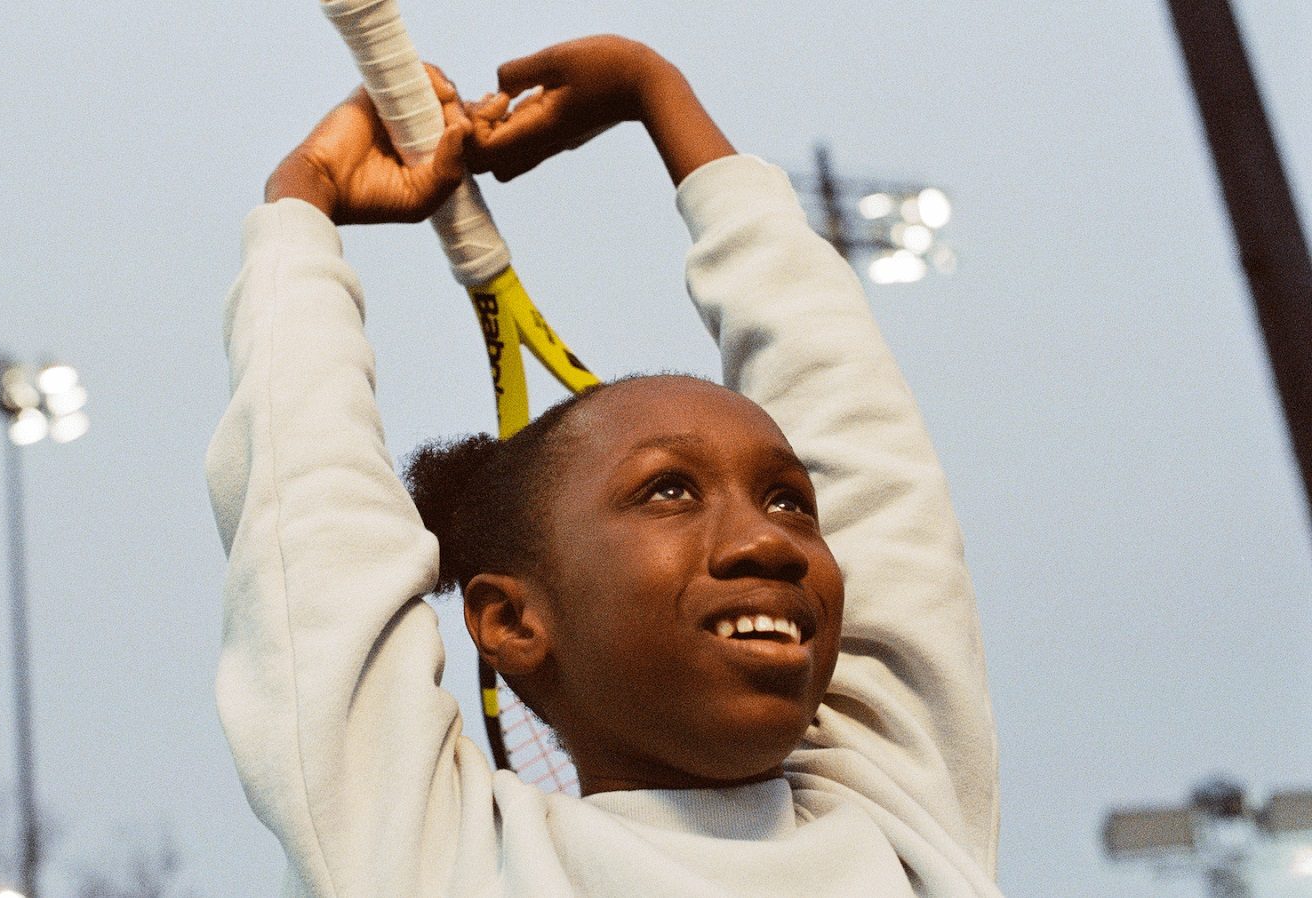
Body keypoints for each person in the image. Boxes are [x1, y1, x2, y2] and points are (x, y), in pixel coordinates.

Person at [206, 34, 1002, 897]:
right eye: (669, 490)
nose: (770, 542)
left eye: (788, 500)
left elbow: (863, 439)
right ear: (511, 621)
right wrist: (300, 207)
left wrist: (657, 93)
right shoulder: (435, 860)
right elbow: (312, 533)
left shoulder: (903, 820)